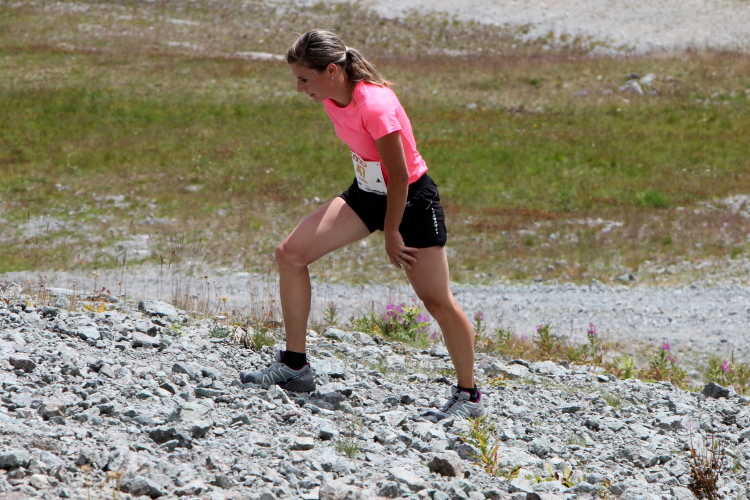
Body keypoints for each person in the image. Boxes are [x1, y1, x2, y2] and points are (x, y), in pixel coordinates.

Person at [240, 29, 483, 420]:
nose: (299, 89)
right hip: (368, 192)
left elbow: (400, 176)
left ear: (332, 70)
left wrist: (391, 232)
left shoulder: (375, 106)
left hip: (410, 201)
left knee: (437, 301)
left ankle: (468, 396)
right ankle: (295, 366)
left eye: (304, 79)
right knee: (290, 254)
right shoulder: (331, 96)